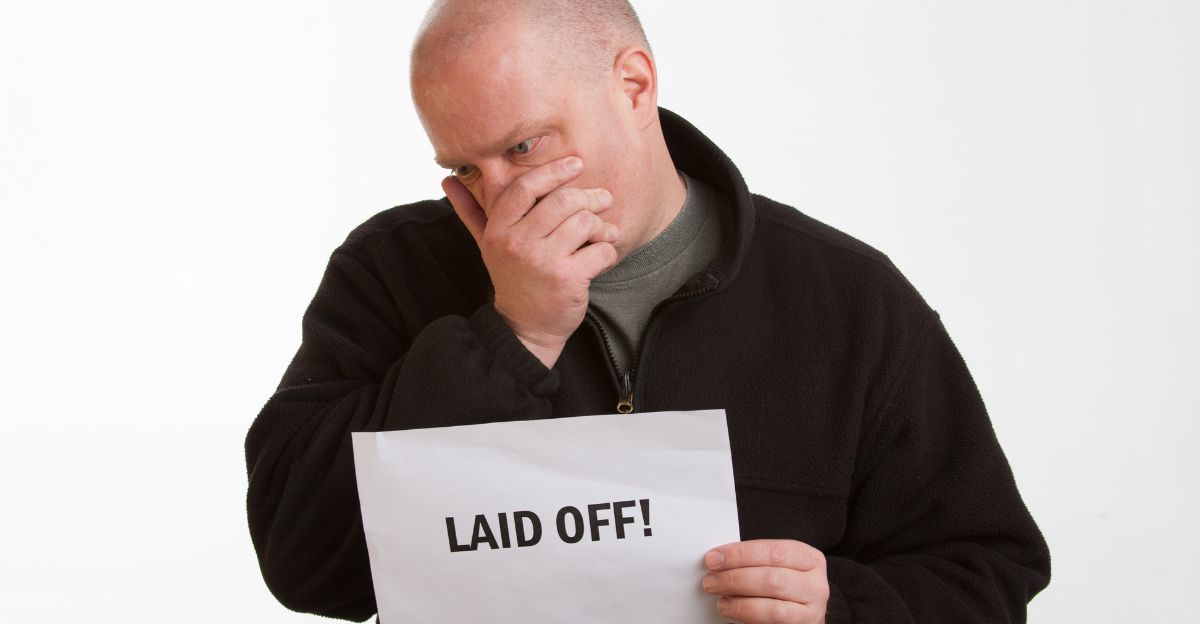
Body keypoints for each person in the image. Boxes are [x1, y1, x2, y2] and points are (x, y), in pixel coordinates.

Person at [244, 0, 1051, 622]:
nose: (500, 200)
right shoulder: (390, 273)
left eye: (524, 147)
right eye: (465, 168)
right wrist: (512, 336)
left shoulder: (848, 298)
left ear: (634, 85)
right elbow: (306, 566)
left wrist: (843, 608)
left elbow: (988, 572)